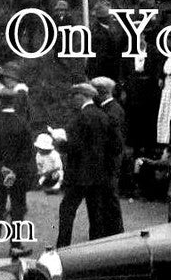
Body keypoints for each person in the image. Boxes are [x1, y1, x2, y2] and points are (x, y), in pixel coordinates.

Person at [53, 82, 123, 248]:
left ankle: (62, 247)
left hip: (78, 175)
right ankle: (95, 249)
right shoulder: (104, 116)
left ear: (81, 96)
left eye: (74, 96)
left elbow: (74, 146)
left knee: (67, 211)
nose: (72, 100)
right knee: (95, 214)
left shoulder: (80, 118)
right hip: (98, 175)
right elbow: (116, 146)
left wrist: (59, 144)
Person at [0, 88, 33, 258]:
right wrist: (14, 170)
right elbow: (27, 152)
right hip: (17, 174)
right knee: (17, 206)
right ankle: (15, 245)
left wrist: (1, 168)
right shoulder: (22, 123)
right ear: (13, 102)